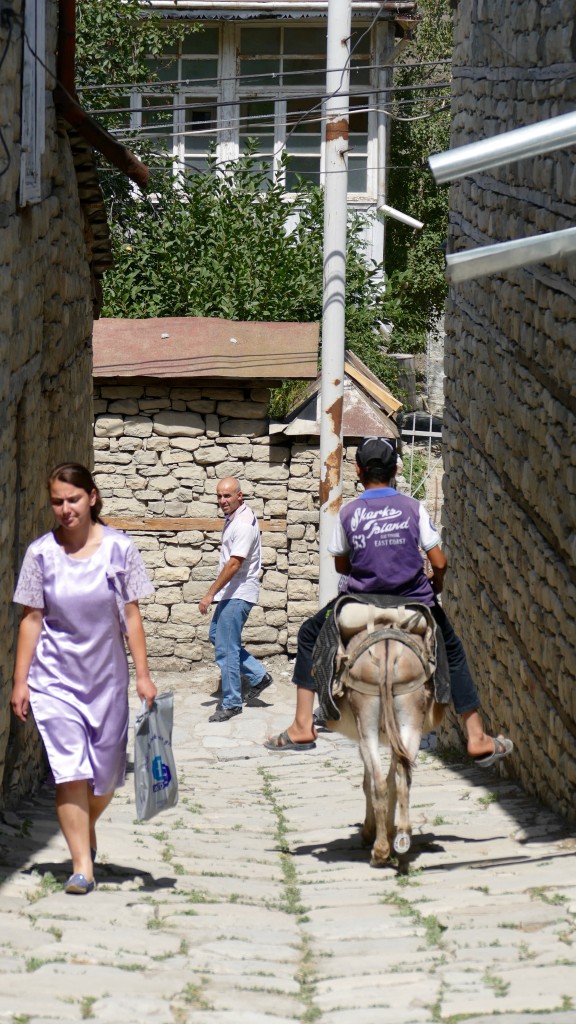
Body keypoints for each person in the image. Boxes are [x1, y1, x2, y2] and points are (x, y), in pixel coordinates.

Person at [265, 436, 514, 767]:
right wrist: (434, 584)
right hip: (414, 602)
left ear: (357, 471)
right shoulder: (413, 507)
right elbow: (439, 562)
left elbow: (342, 564)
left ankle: (301, 725)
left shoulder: (349, 512)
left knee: (310, 635)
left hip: (360, 600)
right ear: (396, 469)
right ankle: (477, 736)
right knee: (452, 651)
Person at [11, 463, 157, 895]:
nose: (64, 509)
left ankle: (83, 826)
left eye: (72, 499)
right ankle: (81, 866)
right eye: (57, 501)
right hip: (54, 680)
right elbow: (31, 619)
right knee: (70, 771)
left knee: (106, 775)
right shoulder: (40, 554)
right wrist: (21, 681)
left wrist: (143, 676)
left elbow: (131, 616)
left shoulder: (119, 549)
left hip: (106, 681)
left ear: (91, 498)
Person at [199, 476, 272, 722]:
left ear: (239, 495)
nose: (222, 500)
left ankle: (231, 703)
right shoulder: (236, 518)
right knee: (216, 635)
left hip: (239, 592)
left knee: (226, 648)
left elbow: (234, 564)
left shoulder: (242, 524)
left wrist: (210, 594)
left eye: (227, 495)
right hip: (233, 592)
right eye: (219, 496)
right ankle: (258, 675)